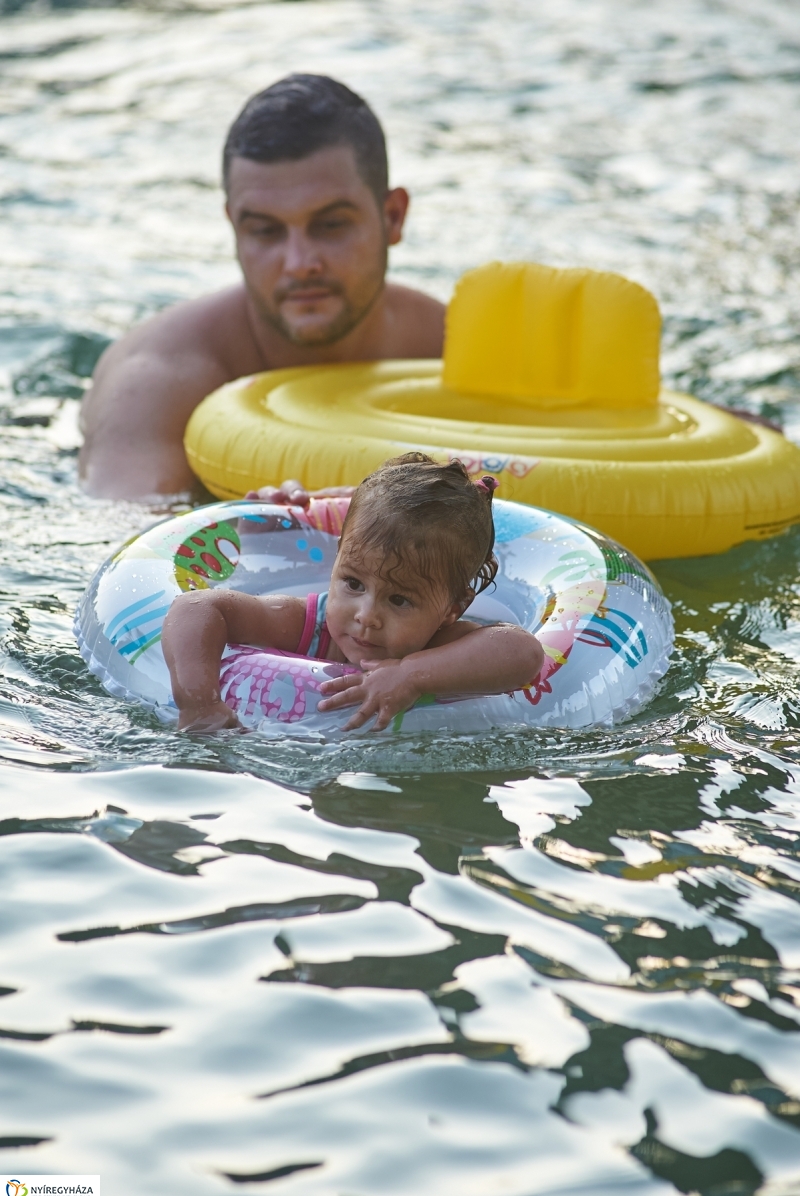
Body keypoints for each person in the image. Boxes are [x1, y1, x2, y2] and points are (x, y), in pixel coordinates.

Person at [79, 74, 445, 501]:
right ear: (235, 227)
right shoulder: (157, 381)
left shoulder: (446, 348)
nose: (300, 263)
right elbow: (131, 556)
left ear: (393, 216)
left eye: (331, 225)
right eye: (266, 231)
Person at [161, 454, 544, 732]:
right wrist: (199, 701)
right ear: (336, 560)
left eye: (399, 600)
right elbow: (196, 606)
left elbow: (523, 652)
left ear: (452, 608)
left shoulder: (445, 644)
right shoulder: (308, 625)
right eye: (353, 584)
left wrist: (412, 675)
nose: (366, 615)